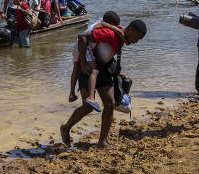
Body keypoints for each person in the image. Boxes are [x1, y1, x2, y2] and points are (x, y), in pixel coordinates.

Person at [60, 20, 147, 149]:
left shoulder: (122, 38)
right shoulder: (111, 33)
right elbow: (83, 37)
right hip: (87, 68)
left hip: (104, 69)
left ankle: (102, 142)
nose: (136, 42)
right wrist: (83, 62)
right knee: (87, 107)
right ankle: (66, 128)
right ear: (130, 29)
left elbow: (106, 51)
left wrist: (116, 70)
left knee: (110, 103)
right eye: (137, 38)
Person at [69, 11, 122, 105]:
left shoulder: (101, 20)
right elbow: (104, 25)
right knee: (94, 70)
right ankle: (90, 97)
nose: (116, 27)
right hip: (83, 46)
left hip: (77, 44)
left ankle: (72, 93)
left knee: (75, 69)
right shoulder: (101, 24)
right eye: (115, 25)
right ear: (109, 23)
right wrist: (117, 30)